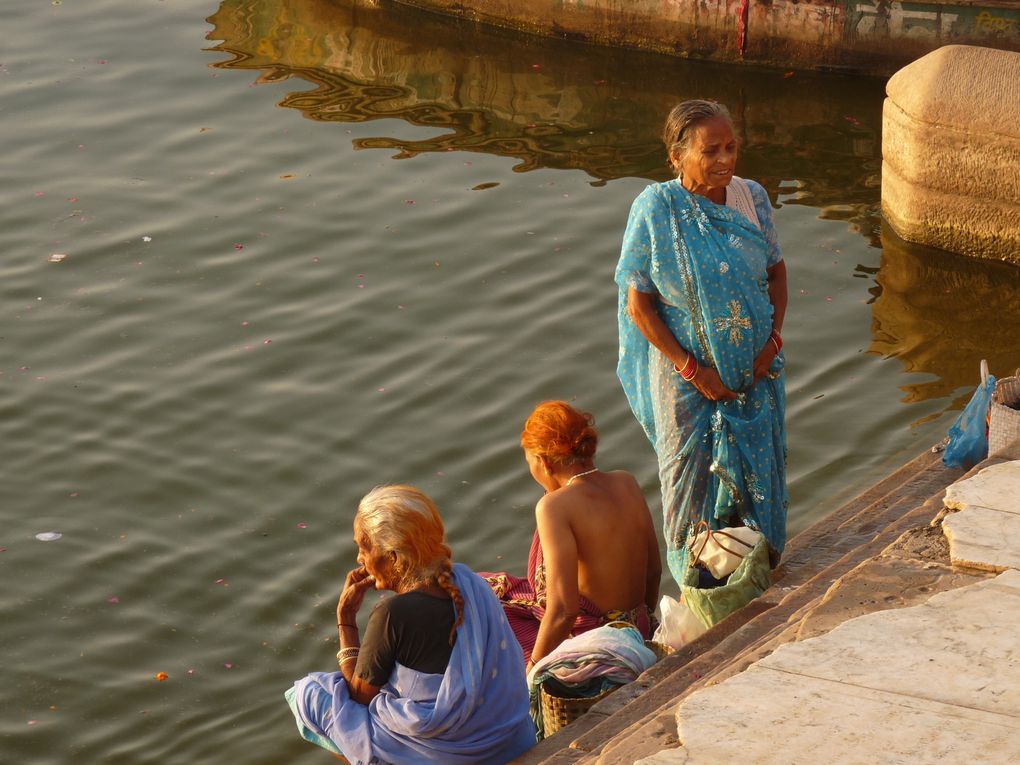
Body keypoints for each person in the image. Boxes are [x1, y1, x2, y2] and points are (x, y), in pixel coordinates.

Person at [615, 99, 789, 587]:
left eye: (731, 147)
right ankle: (697, 590)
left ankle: (757, 577)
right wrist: (694, 370)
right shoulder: (657, 208)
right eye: (710, 151)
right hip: (687, 387)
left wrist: (772, 344)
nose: (725, 161)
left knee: (759, 480)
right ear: (676, 157)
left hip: (757, 375)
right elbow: (640, 306)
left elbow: (776, 272)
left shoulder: (751, 198)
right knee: (689, 492)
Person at [285, 485, 535, 764]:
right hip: (508, 740)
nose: (359, 559)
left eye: (363, 546)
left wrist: (346, 621)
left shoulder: (392, 614)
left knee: (308, 695)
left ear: (392, 556)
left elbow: (358, 697)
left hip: (449, 756)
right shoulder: (472, 585)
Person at [483, 401, 662, 671]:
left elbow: (564, 611)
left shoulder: (553, 507)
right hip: (638, 625)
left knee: (488, 614)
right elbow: (654, 572)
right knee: (494, 589)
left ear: (543, 462)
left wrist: (532, 669)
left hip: (594, 642)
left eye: (530, 462)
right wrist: (642, 631)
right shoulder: (627, 481)